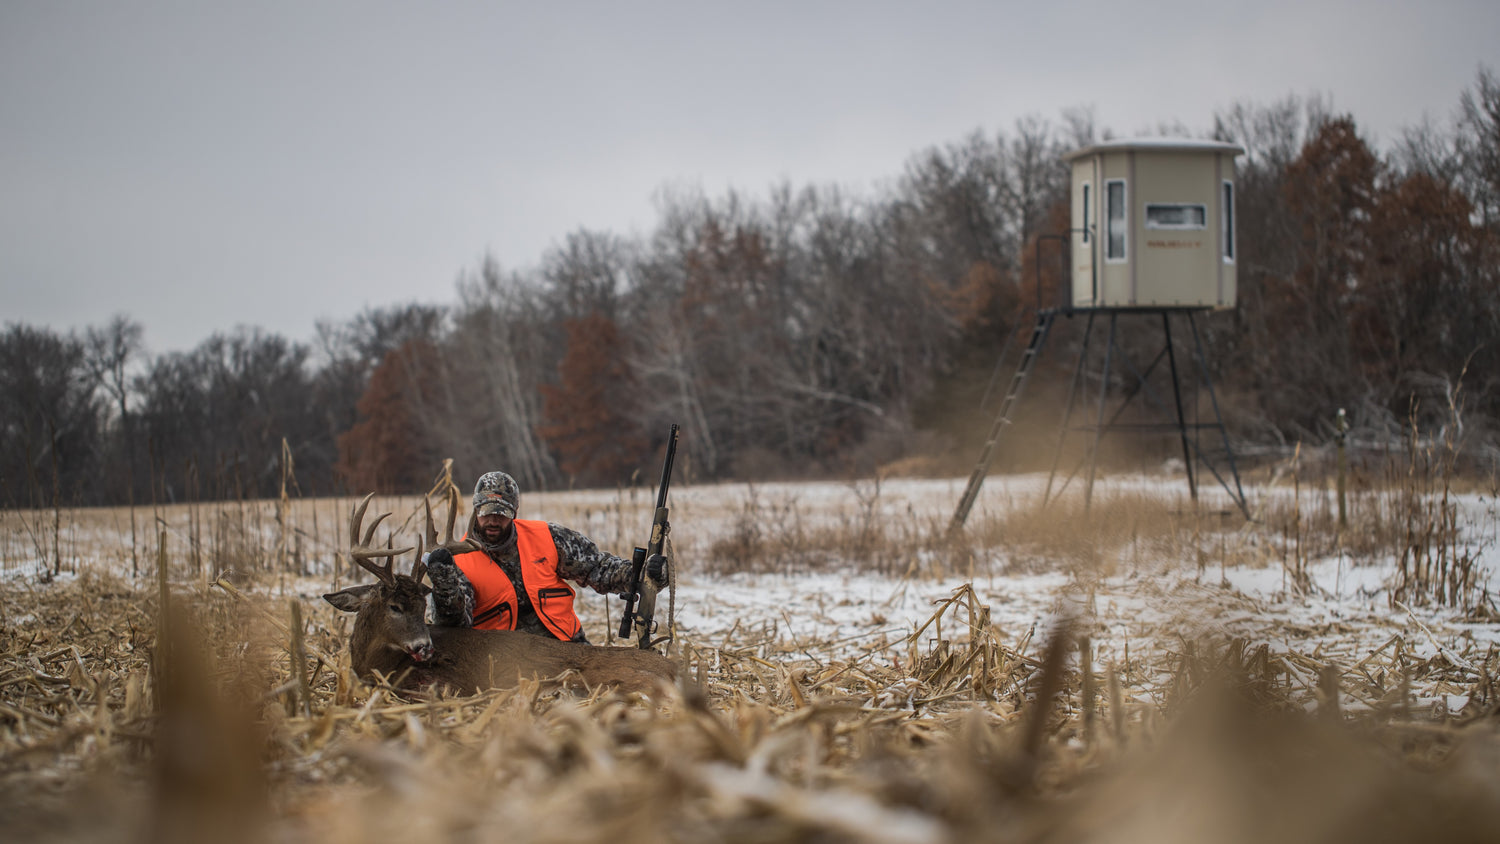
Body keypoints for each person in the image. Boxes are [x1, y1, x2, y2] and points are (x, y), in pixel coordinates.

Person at [425, 471, 667, 643]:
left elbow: (598, 568)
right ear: (476, 511)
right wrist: (444, 583)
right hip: (502, 661)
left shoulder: (547, 537)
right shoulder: (459, 561)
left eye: (501, 514)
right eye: (486, 513)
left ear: (514, 513)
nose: (493, 521)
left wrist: (646, 573)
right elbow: (455, 624)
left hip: (565, 645)